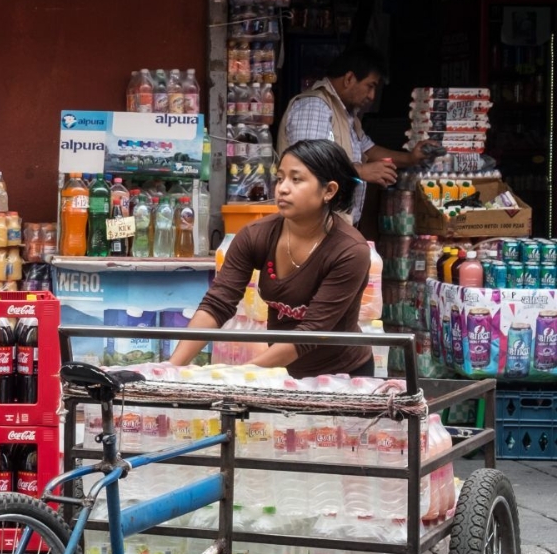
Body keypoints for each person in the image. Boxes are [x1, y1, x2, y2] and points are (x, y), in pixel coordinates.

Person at [169, 139, 373, 378]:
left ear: (329, 191)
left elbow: (311, 332)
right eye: (280, 178)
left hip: (343, 378)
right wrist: (170, 368)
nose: (282, 188)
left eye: (296, 179)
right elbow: (217, 304)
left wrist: (240, 374)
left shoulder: (349, 251)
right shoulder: (256, 235)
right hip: (282, 374)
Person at [278, 44, 428, 224]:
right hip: (311, 225)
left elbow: (370, 150)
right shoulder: (315, 107)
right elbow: (310, 163)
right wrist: (361, 171)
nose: (372, 96)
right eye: (370, 86)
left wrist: (411, 158)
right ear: (349, 78)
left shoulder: (347, 115)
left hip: (331, 226)